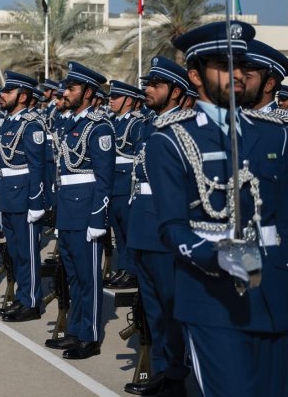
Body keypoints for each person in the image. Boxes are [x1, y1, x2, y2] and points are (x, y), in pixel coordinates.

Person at [147, 21, 288, 395]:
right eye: (222, 65)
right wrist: (218, 256)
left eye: (240, 64)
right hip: (212, 297)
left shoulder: (274, 133)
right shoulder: (171, 140)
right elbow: (172, 228)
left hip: (275, 288)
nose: (236, 74)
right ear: (195, 75)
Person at [125, 56, 192, 396]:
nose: (147, 90)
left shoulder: (184, 128)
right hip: (143, 226)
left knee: (171, 306)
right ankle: (164, 370)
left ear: (177, 91)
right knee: (154, 308)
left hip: (165, 229)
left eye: (156, 85)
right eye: (148, 84)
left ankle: (176, 376)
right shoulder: (149, 124)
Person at [44, 61, 114, 360]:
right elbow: (62, 172)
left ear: (87, 92)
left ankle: (91, 335)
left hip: (87, 212)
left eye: (71, 88)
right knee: (72, 275)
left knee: (89, 278)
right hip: (69, 212)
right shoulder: (67, 122)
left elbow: (104, 178)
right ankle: (74, 330)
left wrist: (98, 218)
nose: (65, 93)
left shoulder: (98, 128)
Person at [0, 71, 46, 322]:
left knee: (28, 252)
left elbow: (37, 167)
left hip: (25, 196)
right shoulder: (9, 121)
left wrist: (36, 203)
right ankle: (22, 296)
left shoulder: (31, 124)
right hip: (9, 195)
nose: (1, 95)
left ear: (23, 96)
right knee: (15, 251)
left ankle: (32, 302)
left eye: (7, 92)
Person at [104, 80, 146, 290]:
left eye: (116, 97)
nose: (111, 101)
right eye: (111, 97)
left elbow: (138, 156)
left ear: (128, 101)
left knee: (130, 232)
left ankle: (133, 271)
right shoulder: (111, 122)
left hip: (126, 184)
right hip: (113, 185)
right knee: (118, 233)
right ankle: (123, 267)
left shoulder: (137, 123)